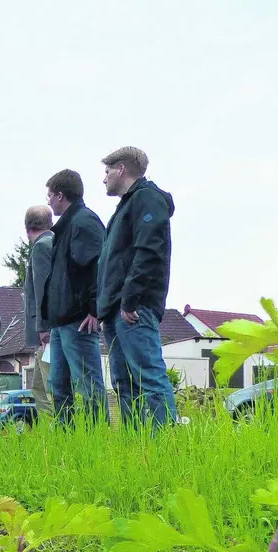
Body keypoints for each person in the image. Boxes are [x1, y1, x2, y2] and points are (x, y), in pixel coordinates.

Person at [96, 146, 178, 430]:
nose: (103, 179)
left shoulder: (147, 199)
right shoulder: (125, 208)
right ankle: (134, 445)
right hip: (115, 309)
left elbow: (149, 252)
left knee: (149, 377)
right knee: (124, 382)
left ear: (121, 169)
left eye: (106, 172)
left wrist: (131, 299)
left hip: (133, 307)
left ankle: (164, 442)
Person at [42, 169, 110, 426]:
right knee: (58, 385)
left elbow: (96, 267)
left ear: (61, 195)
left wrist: (94, 309)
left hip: (79, 319)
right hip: (61, 321)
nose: (48, 202)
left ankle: (96, 438)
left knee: (88, 384)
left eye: (50, 196)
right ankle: (66, 439)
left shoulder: (84, 222)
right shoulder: (67, 226)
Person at [22, 207, 55, 418]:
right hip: (49, 330)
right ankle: (49, 430)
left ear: (27, 229)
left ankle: (58, 432)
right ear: (50, 223)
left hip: (48, 332)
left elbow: (42, 288)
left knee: (49, 384)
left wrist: (43, 327)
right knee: (38, 387)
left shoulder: (42, 246)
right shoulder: (53, 242)